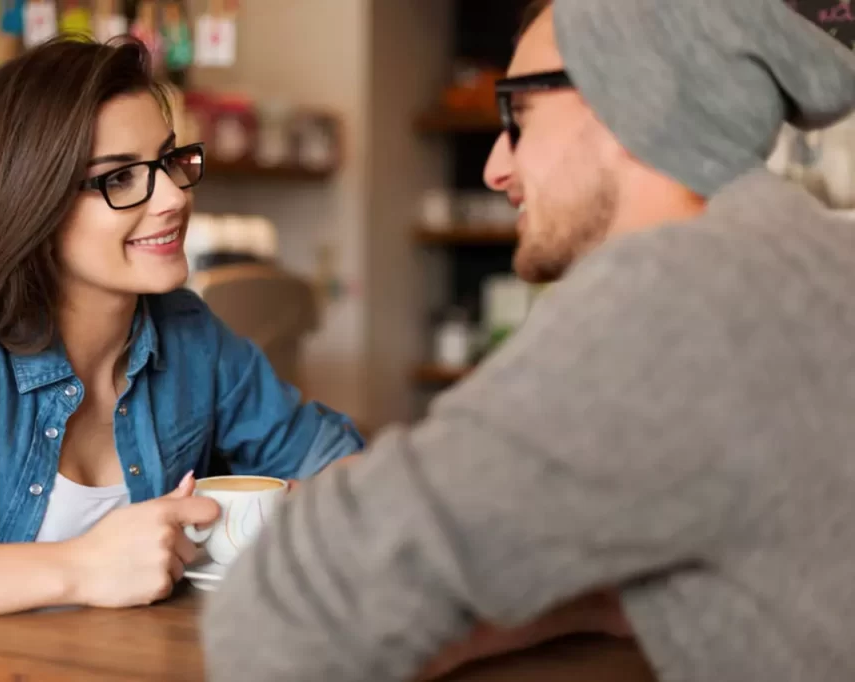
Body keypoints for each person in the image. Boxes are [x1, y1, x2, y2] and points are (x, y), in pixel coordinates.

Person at [202, 0, 855, 680]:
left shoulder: (676, 296)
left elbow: (286, 608)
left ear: (633, 98)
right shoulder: (810, 265)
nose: (494, 167)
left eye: (518, 112)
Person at [0, 37, 363, 632]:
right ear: (36, 200)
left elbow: (347, 470)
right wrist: (82, 567)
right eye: (120, 178)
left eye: (169, 161)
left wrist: (283, 512)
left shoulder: (192, 340)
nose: (172, 197)